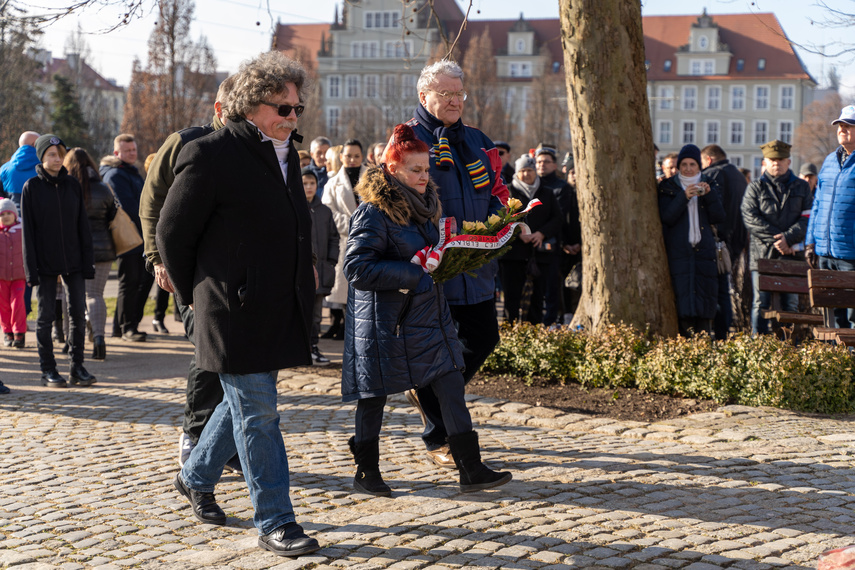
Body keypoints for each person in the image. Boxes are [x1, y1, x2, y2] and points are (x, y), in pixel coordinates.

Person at [157, 51, 320, 558]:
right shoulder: (210, 154)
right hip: (229, 310)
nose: (293, 119)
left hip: (275, 303)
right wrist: (198, 298)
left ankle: (195, 476)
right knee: (260, 414)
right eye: (283, 108)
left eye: (297, 109)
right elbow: (171, 234)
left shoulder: (286, 154)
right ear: (250, 107)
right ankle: (276, 518)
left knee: (244, 403)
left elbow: (294, 228)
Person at [342, 123, 512, 496]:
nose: (424, 176)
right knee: (374, 397)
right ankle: (366, 470)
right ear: (391, 169)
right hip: (383, 323)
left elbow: (430, 253)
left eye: (426, 169)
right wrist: (415, 272)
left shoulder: (427, 204)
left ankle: (470, 468)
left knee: (451, 382)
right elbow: (356, 268)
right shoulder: (373, 212)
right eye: (415, 170)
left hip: (426, 315)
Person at [407, 59, 509, 468]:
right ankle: (440, 437)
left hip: (476, 267)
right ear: (424, 96)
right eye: (445, 93)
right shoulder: (407, 140)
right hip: (432, 269)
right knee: (440, 356)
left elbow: (497, 191)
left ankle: (427, 396)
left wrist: (507, 218)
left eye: (459, 94)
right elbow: (394, 203)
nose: (454, 101)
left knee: (483, 339)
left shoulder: (479, 140)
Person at [137, 75, 238, 470]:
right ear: (219, 109)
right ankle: (194, 434)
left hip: (234, 271)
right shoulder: (186, 142)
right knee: (207, 350)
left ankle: (221, 443)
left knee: (232, 357)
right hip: (189, 270)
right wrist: (156, 258)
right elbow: (151, 201)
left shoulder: (255, 149)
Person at [22, 135, 96, 388]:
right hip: (44, 264)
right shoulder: (31, 187)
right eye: (51, 154)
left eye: (60, 153)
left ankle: (77, 367)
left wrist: (88, 262)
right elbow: (28, 235)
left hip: (73, 262)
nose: (57, 158)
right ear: (41, 157)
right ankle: (48, 370)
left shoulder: (72, 185)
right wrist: (30, 270)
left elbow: (82, 226)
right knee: (44, 318)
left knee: (76, 314)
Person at [741, 139, 812, 334]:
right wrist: (779, 239)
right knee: (760, 304)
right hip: (762, 256)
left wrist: (788, 238)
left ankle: (788, 349)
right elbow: (750, 218)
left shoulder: (801, 187)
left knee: (791, 305)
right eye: (771, 159)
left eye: (780, 159)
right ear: (764, 162)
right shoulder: (755, 188)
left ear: (789, 161)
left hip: (791, 255)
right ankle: (760, 349)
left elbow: (808, 217)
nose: (776, 163)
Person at [658, 144, 725, 337]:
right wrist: (684, 196)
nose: (688, 168)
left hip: (704, 252)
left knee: (705, 302)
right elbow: (667, 217)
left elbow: (719, 216)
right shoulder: (668, 186)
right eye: (684, 164)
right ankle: (685, 348)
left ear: (699, 166)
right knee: (683, 303)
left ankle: (704, 348)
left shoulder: (710, 183)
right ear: (678, 166)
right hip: (679, 252)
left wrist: (709, 195)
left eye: (692, 164)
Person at [63, 148, 117, 361]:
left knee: (72, 296)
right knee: (95, 295)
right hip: (103, 248)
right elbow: (113, 215)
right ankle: (99, 340)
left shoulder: (67, 189)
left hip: (73, 249)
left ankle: (71, 342)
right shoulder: (104, 189)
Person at [806, 105, 855, 328]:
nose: (842, 129)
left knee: (854, 315)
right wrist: (810, 242)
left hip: (850, 254)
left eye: (849, 125)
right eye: (840, 125)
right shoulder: (828, 161)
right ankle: (836, 362)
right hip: (825, 252)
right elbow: (817, 204)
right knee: (833, 316)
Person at [499, 155, 562, 323]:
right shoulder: (509, 192)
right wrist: (518, 233)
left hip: (539, 253)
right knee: (511, 296)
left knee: (537, 297)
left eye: (530, 170)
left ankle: (533, 332)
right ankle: (510, 330)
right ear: (517, 173)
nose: (526, 174)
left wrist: (541, 233)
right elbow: (499, 219)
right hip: (512, 255)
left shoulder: (546, 193)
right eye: (522, 171)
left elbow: (558, 218)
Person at [101, 134, 151, 342]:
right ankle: (126, 327)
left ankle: (124, 326)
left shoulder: (131, 172)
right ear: (116, 153)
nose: (132, 153)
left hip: (140, 236)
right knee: (129, 282)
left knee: (140, 280)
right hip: (129, 237)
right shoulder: (115, 175)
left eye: (133, 149)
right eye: (127, 150)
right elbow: (131, 208)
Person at [701, 144, 749, 340]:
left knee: (717, 291)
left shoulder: (713, 174)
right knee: (725, 290)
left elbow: (715, 209)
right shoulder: (738, 176)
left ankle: (717, 334)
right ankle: (723, 333)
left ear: (709, 159)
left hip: (718, 241)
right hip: (735, 241)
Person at [321, 139, 366, 341]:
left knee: (365, 289)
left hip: (370, 240)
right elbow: (328, 212)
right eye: (348, 156)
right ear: (341, 157)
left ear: (362, 157)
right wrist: (355, 223)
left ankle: (359, 328)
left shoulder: (373, 178)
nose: (352, 160)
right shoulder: (333, 183)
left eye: (356, 156)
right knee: (343, 290)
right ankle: (342, 326)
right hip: (345, 240)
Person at [302, 166, 338, 365]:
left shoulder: (324, 211)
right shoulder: (295, 207)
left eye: (312, 183)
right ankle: (301, 348)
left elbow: (333, 237)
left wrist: (331, 262)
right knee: (301, 313)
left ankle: (313, 346)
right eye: (304, 183)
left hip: (321, 271)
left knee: (317, 314)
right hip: (299, 273)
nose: (308, 187)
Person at [535, 143, 572, 326]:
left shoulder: (561, 187)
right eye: (539, 162)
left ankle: (550, 322)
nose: (542, 165)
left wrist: (541, 231)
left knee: (551, 288)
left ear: (554, 166)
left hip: (552, 244)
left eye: (546, 162)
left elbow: (559, 215)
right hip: (531, 243)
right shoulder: (532, 185)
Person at [0, 198, 25, 348]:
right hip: (2, 277)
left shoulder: (22, 231)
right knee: (3, 305)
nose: (6, 216)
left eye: (9, 213)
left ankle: (19, 333)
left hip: (18, 276)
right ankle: (7, 331)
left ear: (15, 215)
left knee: (17, 304)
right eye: (2, 214)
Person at [0, 131, 40, 208]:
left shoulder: (4, 169)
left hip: (13, 217)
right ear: (35, 143)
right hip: (40, 217)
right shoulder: (45, 167)